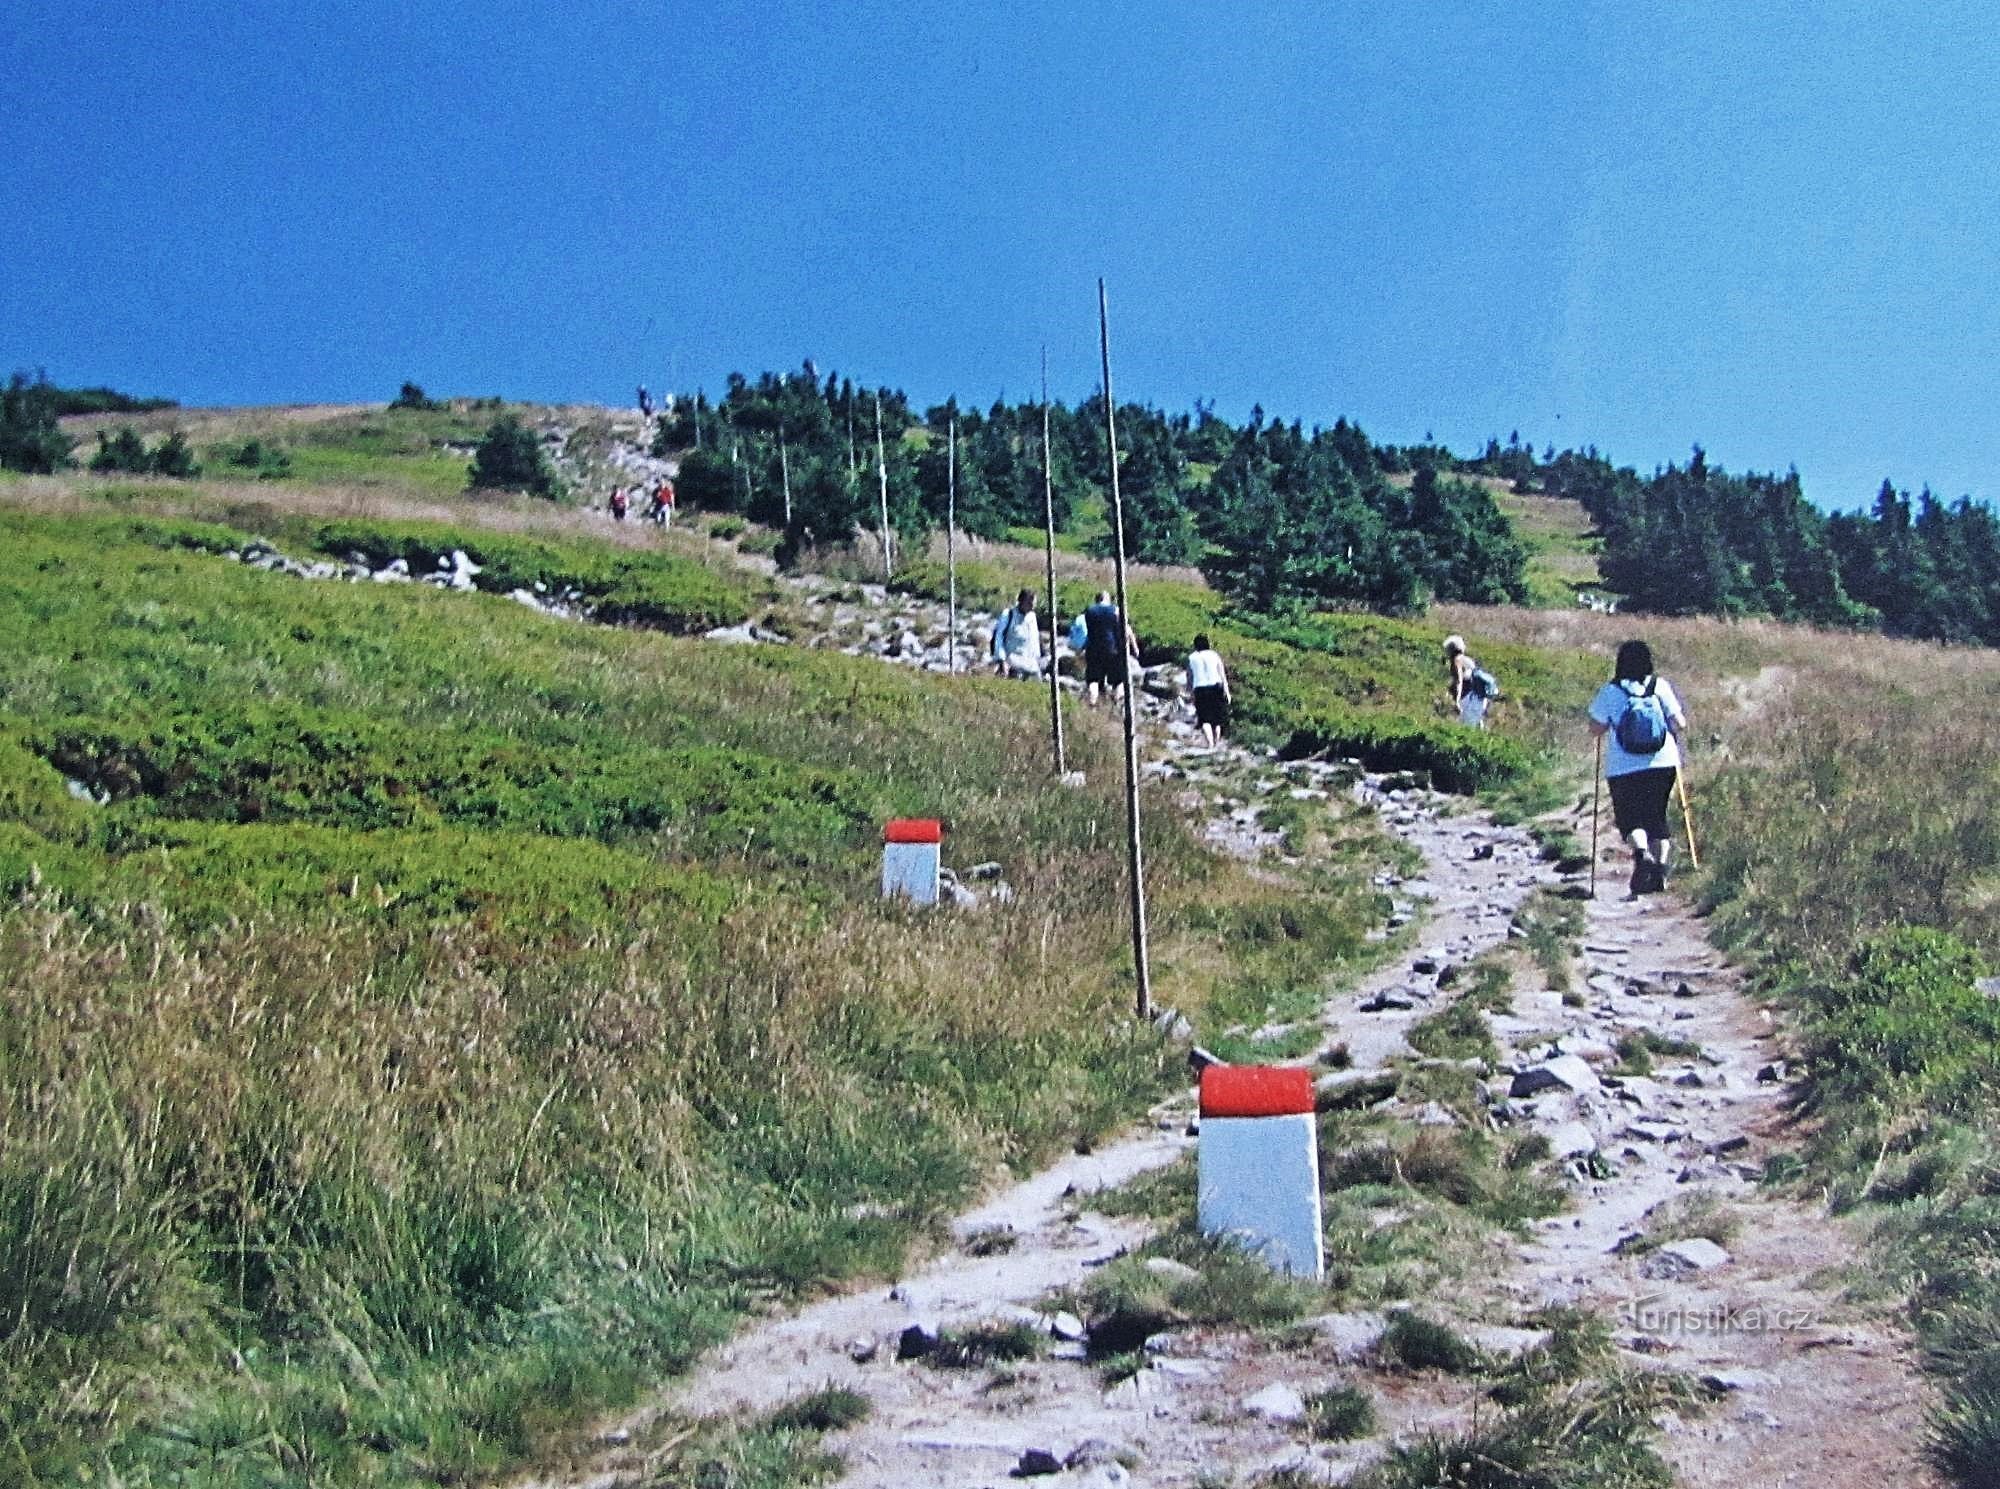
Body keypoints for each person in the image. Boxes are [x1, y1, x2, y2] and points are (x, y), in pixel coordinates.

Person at [1588, 639, 1689, 896]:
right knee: (1657, 817)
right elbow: (1680, 723)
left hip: (1624, 767)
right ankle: (1661, 869)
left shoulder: (1611, 691)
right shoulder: (1660, 686)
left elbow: (1595, 729)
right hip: (1663, 762)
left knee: (1630, 817)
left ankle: (1642, 855)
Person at [1082, 590, 1138, 705]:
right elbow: (1127, 629)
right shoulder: (1115, 610)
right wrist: (1135, 647)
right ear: (1107, 599)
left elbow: (1088, 631)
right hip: (1113, 650)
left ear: (1097, 599)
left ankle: (1092, 704)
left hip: (1093, 650)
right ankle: (1116, 702)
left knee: (1093, 680)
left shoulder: (1089, 611)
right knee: (1118, 681)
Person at [1186, 633, 1232, 748]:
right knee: (1217, 717)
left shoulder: (1192, 658)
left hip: (1200, 688)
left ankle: (1210, 743)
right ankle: (1217, 741)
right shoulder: (1214, 655)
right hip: (1216, 686)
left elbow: (1190, 677)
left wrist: (1190, 693)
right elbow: (1222, 674)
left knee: (1204, 718)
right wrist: (1227, 691)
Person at [990, 589, 1045, 678]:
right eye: (1029, 603)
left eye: (1034, 604)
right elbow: (998, 638)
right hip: (1012, 663)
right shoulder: (1008, 615)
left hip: (1031, 664)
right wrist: (1002, 660)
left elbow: (1034, 639)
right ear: (1021, 601)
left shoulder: (1032, 617)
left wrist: (1039, 659)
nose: (1032, 607)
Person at [1443, 635, 1488, 729]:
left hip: (1468, 697)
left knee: (1467, 727)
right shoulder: (1468, 660)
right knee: (1477, 724)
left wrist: (1457, 700)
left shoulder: (1456, 661)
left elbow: (1459, 681)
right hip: (1480, 696)